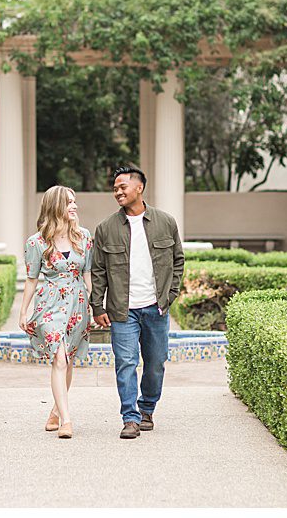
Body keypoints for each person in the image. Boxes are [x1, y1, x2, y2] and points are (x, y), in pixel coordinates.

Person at [91, 165, 184, 439]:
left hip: (156, 308)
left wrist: (170, 295)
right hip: (122, 310)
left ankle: (147, 409)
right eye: (115, 188)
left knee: (155, 363)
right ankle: (130, 418)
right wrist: (98, 306)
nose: (117, 191)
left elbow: (178, 260)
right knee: (126, 363)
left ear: (139, 188)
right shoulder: (106, 228)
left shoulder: (165, 222)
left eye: (123, 187)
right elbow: (98, 270)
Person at [18, 185, 94, 439]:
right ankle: (67, 420)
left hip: (78, 305)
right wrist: (23, 312)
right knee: (59, 359)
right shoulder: (36, 242)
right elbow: (31, 279)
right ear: (55, 207)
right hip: (49, 305)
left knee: (69, 359)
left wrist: (93, 307)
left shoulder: (84, 237)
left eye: (75, 201)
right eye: (68, 202)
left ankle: (54, 411)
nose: (74, 206)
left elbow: (87, 275)